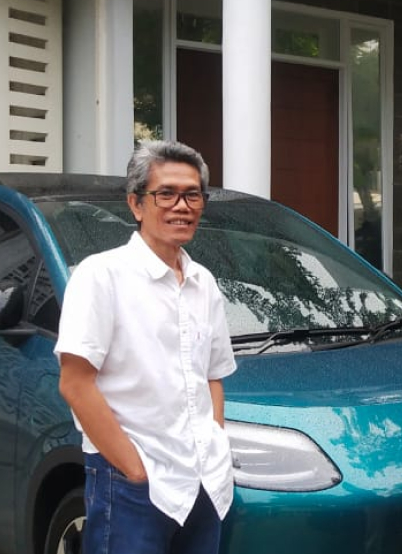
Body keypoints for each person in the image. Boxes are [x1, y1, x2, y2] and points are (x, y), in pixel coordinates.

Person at [55, 140, 237, 554]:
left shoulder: (203, 282)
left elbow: (212, 376)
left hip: (203, 481)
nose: (182, 206)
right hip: (132, 484)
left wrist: (214, 442)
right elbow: (75, 383)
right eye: (166, 194)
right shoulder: (101, 276)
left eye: (193, 195)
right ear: (136, 204)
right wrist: (134, 470)